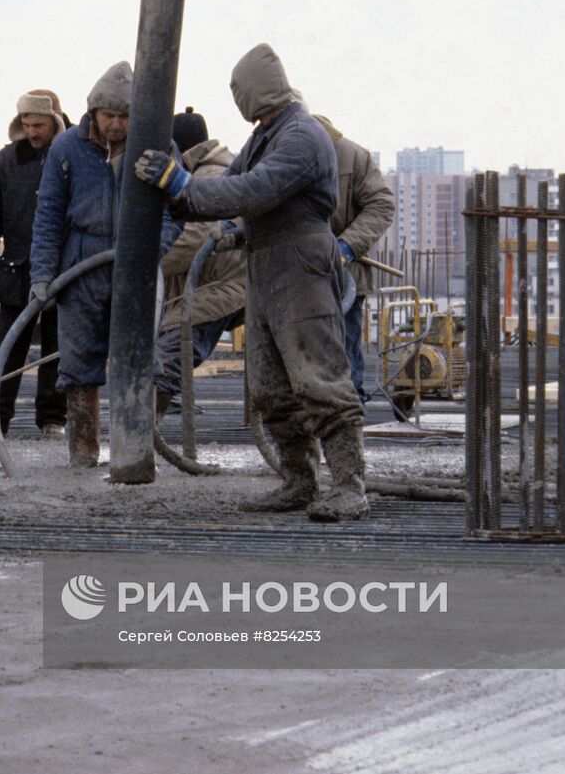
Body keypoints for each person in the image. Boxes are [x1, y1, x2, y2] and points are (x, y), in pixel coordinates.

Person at [132, 44, 369, 521]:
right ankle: (300, 480)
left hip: (301, 264)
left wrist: (182, 185)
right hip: (265, 264)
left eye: (237, 90)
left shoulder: (301, 135)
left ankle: (349, 485)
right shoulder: (267, 134)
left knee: (319, 377)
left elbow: (252, 190)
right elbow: (231, 190)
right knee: (270, 385)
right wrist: (178, 196)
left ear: (253, 90)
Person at [30, 61, 181, 468]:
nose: (116, 125)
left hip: (137, 265)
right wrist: (43, 274)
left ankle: (136, 454)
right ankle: (83, 457)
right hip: (80, 265)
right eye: (108, 115)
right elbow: (48, 214)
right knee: (78, 364)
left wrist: (152, 250)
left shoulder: (158, 146)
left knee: (140, 358)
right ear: (92, 112)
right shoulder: (67, 149)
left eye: (124, 116)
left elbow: (176, 209)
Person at [0, 90, 70, 436]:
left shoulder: (75, 157)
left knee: (59, 349)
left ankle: (53, 419)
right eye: (26, 125)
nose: (32, 132)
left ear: (54, 121)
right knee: (7, 349)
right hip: (17, 268)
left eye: (38, 124)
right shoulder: (5, 162)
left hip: (66, 268)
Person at [153, 108, 246, 417]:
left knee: (172, 352)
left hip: (225, 284)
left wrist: (139, 262)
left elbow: (194, 238)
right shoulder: (199, 173)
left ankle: (141, 436)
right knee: (165, 353)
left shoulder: (213, 175)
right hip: (199, 284)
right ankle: (143, 436)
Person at [313, 114, 394, 403]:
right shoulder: (279, 152)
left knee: (343, 350)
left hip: (345, 277)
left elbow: (381, 205)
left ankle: (349, 416)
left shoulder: (353, 156)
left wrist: (346, 247)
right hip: (297, 274)